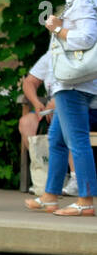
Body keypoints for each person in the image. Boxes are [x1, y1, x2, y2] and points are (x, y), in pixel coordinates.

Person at [34, 0, 97, 216]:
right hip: (75, 84)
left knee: (77, 141)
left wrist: (57, 28)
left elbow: (85, 39)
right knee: (57, 139)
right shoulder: (85, 0)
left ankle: (86, 201)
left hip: (72, 84)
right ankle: (49, 196)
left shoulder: (84, 1)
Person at [19, 52, 85, 195]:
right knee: (26, 123)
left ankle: (75, 179)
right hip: (49, 109)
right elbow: (29, 82)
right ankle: (44, 175)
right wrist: (37, 103)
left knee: (64, 119)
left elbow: (80, 87)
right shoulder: (50, 55)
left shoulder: (82, 54)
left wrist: (56, 103)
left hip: (78, 108)